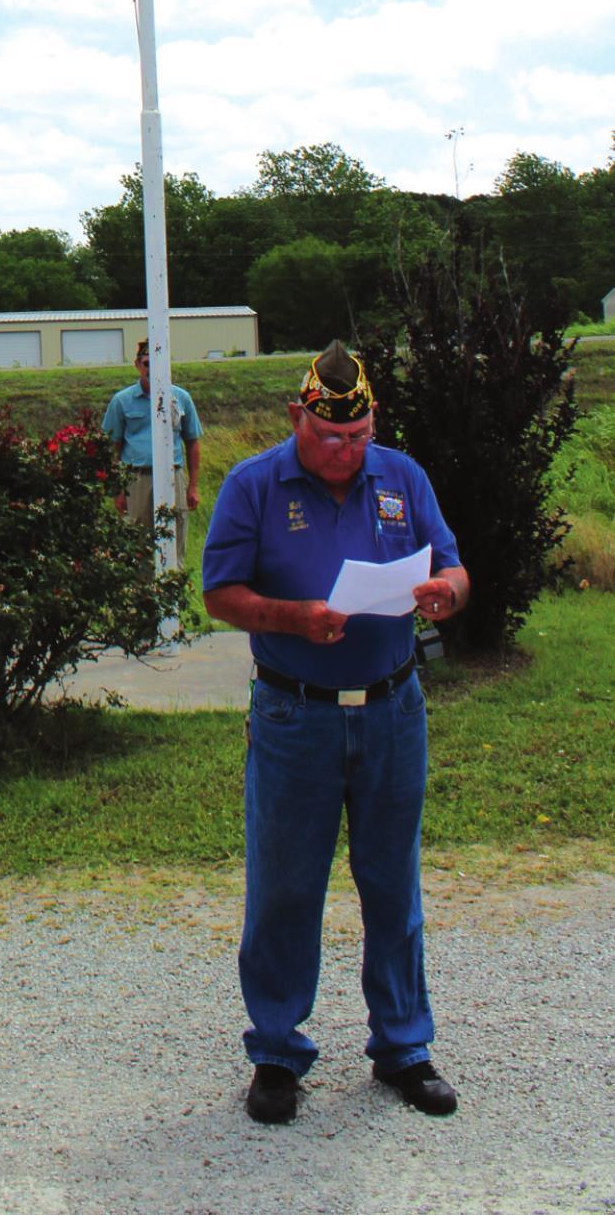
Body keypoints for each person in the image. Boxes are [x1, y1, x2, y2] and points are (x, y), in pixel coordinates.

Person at [202, 340, 470, 1126]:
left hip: (392, 709)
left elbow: (454, 567)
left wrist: (445, 595)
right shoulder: (253, 485)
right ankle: (278, 1052)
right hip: (295, 713)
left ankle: (404, 1048)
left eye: (357, 439)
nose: (345, 452)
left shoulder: (404, 478)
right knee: (285, 887)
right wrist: (295, 619)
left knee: (393, 883)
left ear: (372, 423)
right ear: (297, 418)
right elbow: (220, 594)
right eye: (329, 438)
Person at [101, 339, 203, 564]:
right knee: (138, 541)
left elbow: (193, 442)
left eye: (156, 363)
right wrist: (118, 490)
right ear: (138, 365)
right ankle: (142, 595)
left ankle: (172, 590)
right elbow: (112, 447)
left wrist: (193, 487)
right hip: (137, 478)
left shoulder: (180, 398)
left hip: (172, 476)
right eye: (146, 363)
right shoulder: (122, 401)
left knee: (174, 537)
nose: (151, 369)